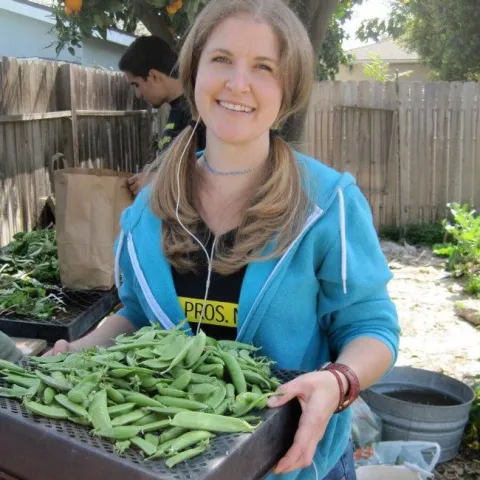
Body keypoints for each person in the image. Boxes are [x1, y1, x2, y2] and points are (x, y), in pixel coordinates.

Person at [46, 1, 400, 478]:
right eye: (221, 60)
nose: (238, 83)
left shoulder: (326, 205)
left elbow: (371, 326)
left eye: (264, 67)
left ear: (288, 88)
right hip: (170, 461)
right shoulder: (146, 213)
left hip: (294, 465)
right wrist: (82, 347)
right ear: (193, 72)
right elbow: (135, 313)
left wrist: (339, 380)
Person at [119, 35, 206, 195]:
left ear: (154, 76)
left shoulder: (198, 113)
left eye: (136, 85)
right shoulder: (177, 109)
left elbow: (209, 175)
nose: (138, 94)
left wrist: (155, 180)